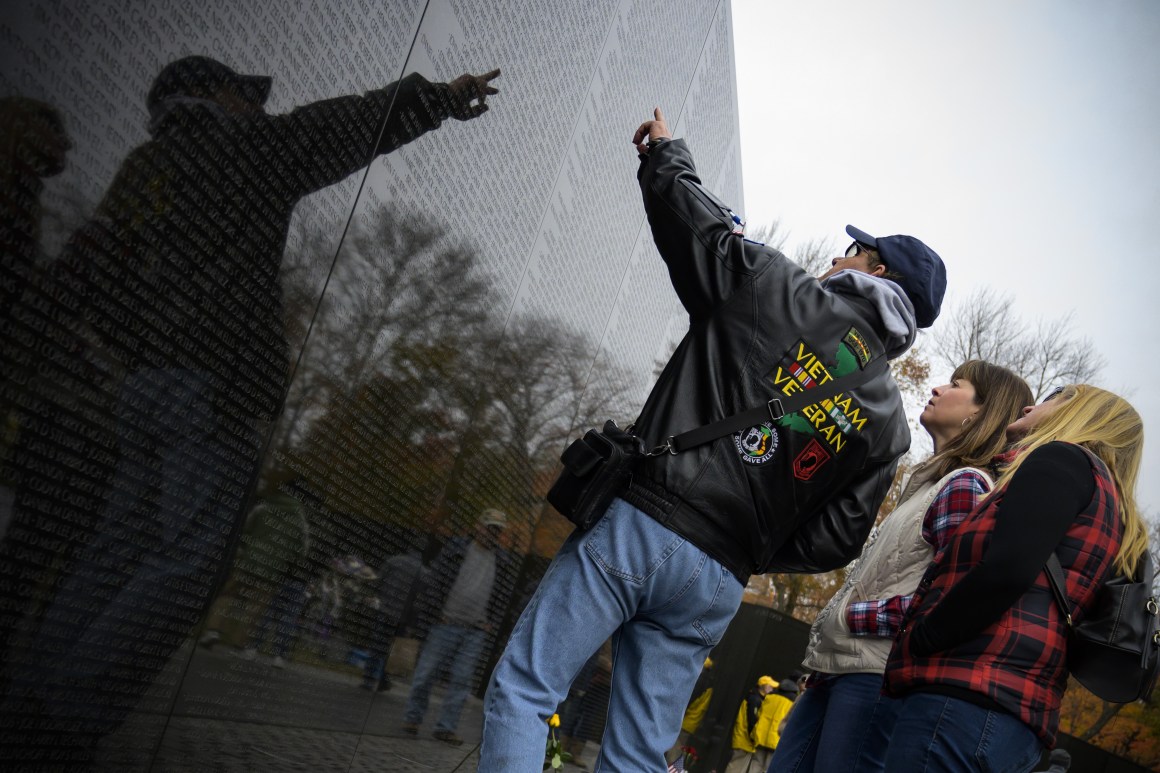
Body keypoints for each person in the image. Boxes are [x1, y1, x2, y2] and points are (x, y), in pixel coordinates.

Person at [481, 107, 948, 770]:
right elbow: (838, 538)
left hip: (641, 524)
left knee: (527, 690)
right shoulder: (888, 421)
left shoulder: (777, 286)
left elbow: (695, 231)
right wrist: (749, 538)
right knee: (640, 750)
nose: (838, 254)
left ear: (874, 269)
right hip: (718, 580)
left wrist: (666, 154)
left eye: (853, 249)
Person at [770, 360, 1032, 771]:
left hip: (875, 679)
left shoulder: (965, 486)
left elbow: (951, 597)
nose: (937, 389)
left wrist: (852, 617)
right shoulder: (929, 484)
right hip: (838, 670)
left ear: (981, 411)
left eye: (956, 384)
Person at [876, 385, 1146, 772]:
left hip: (965, 694)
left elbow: (1008, 568)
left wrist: (924, 636)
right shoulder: (1111, 505)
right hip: (1018, 715)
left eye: (1054, 397)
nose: (1030, 404)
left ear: (1082, 413)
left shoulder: (1060, 460)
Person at [403, 508, 515, 745]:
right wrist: (434, 613)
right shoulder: (455, 549)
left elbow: (503, 597)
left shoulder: (502, 561)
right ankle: (412, 718)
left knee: (462, 679)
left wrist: (490, 623)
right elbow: (434, 582)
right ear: (478, 526)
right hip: (445, 623)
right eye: (489, 527)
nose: (492, 533)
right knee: (425, 673)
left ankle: (446, 727)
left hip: (475, 630)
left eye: (497, 530)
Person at [726, 676, 777, 773]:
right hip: (744, 739)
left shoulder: (754, 696)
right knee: (736, 767)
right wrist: (754, 737)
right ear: (763, 686)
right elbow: (751, 720)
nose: (772, 689)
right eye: (770, 686)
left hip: (744, 739)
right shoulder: (755, 699)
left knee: (739, 767)